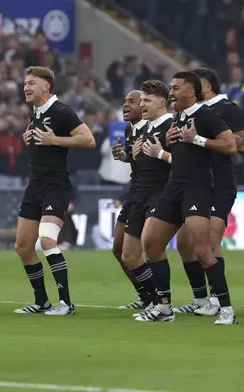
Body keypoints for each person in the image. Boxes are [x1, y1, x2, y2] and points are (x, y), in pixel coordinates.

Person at [135, 71, 238, 325]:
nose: (171, 92)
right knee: (151, 243)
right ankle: (163, 307)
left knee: (201, 248)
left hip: (197, 189)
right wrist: (168, 144)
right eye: (171, 87)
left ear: (191, 92)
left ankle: (226, 308)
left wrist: (198, 139)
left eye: (176, 87)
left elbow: (230, 145)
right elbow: (181, 152)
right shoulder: (179, 117)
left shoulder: (206, 115)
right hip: (173, 187)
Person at [14, 66, 95, 316]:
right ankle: (41, 302)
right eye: (25, 83)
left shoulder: (61, 111)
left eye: (31, 83)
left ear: (46, 87)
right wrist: (31, 139)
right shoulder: (36, 112)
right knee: (23, 246)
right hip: (35, 186)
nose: (26, 87)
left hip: (56, 187)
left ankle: (66, 303)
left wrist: (54, 140)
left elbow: (88, 139)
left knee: (47, 239)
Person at [173, 68, 244, 315]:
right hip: (196, 183)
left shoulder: (228, 109)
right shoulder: (186, 113)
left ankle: (218, 299)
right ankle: (201, 298)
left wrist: (204, 138)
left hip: (220, 183)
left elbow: (242, 144)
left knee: (210, 239)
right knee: (185, 243)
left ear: (204, 87)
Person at [115, 80, 174, 321]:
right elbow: (144, 160)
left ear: (161, 102)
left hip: (162, 194)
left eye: (144, 100)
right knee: (128, 255)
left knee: (153, 247)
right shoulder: (144, 129)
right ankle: (152, 300)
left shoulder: (172, 126)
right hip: (138, 194)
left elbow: (185, 161)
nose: (140, 104)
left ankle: (164, 305)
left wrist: (159, 153)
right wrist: (131, 155)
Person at [110, 90, 148, 310]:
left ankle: (157, 298)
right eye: (124, 101)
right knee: (118, 249)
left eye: (130, 102)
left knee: (140, 252)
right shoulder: (129, 129)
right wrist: (124, 156)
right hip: (133, 192)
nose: (125, 105)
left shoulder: (155, 128)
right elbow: (136, 158)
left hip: (151, 194)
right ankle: (145, 295)